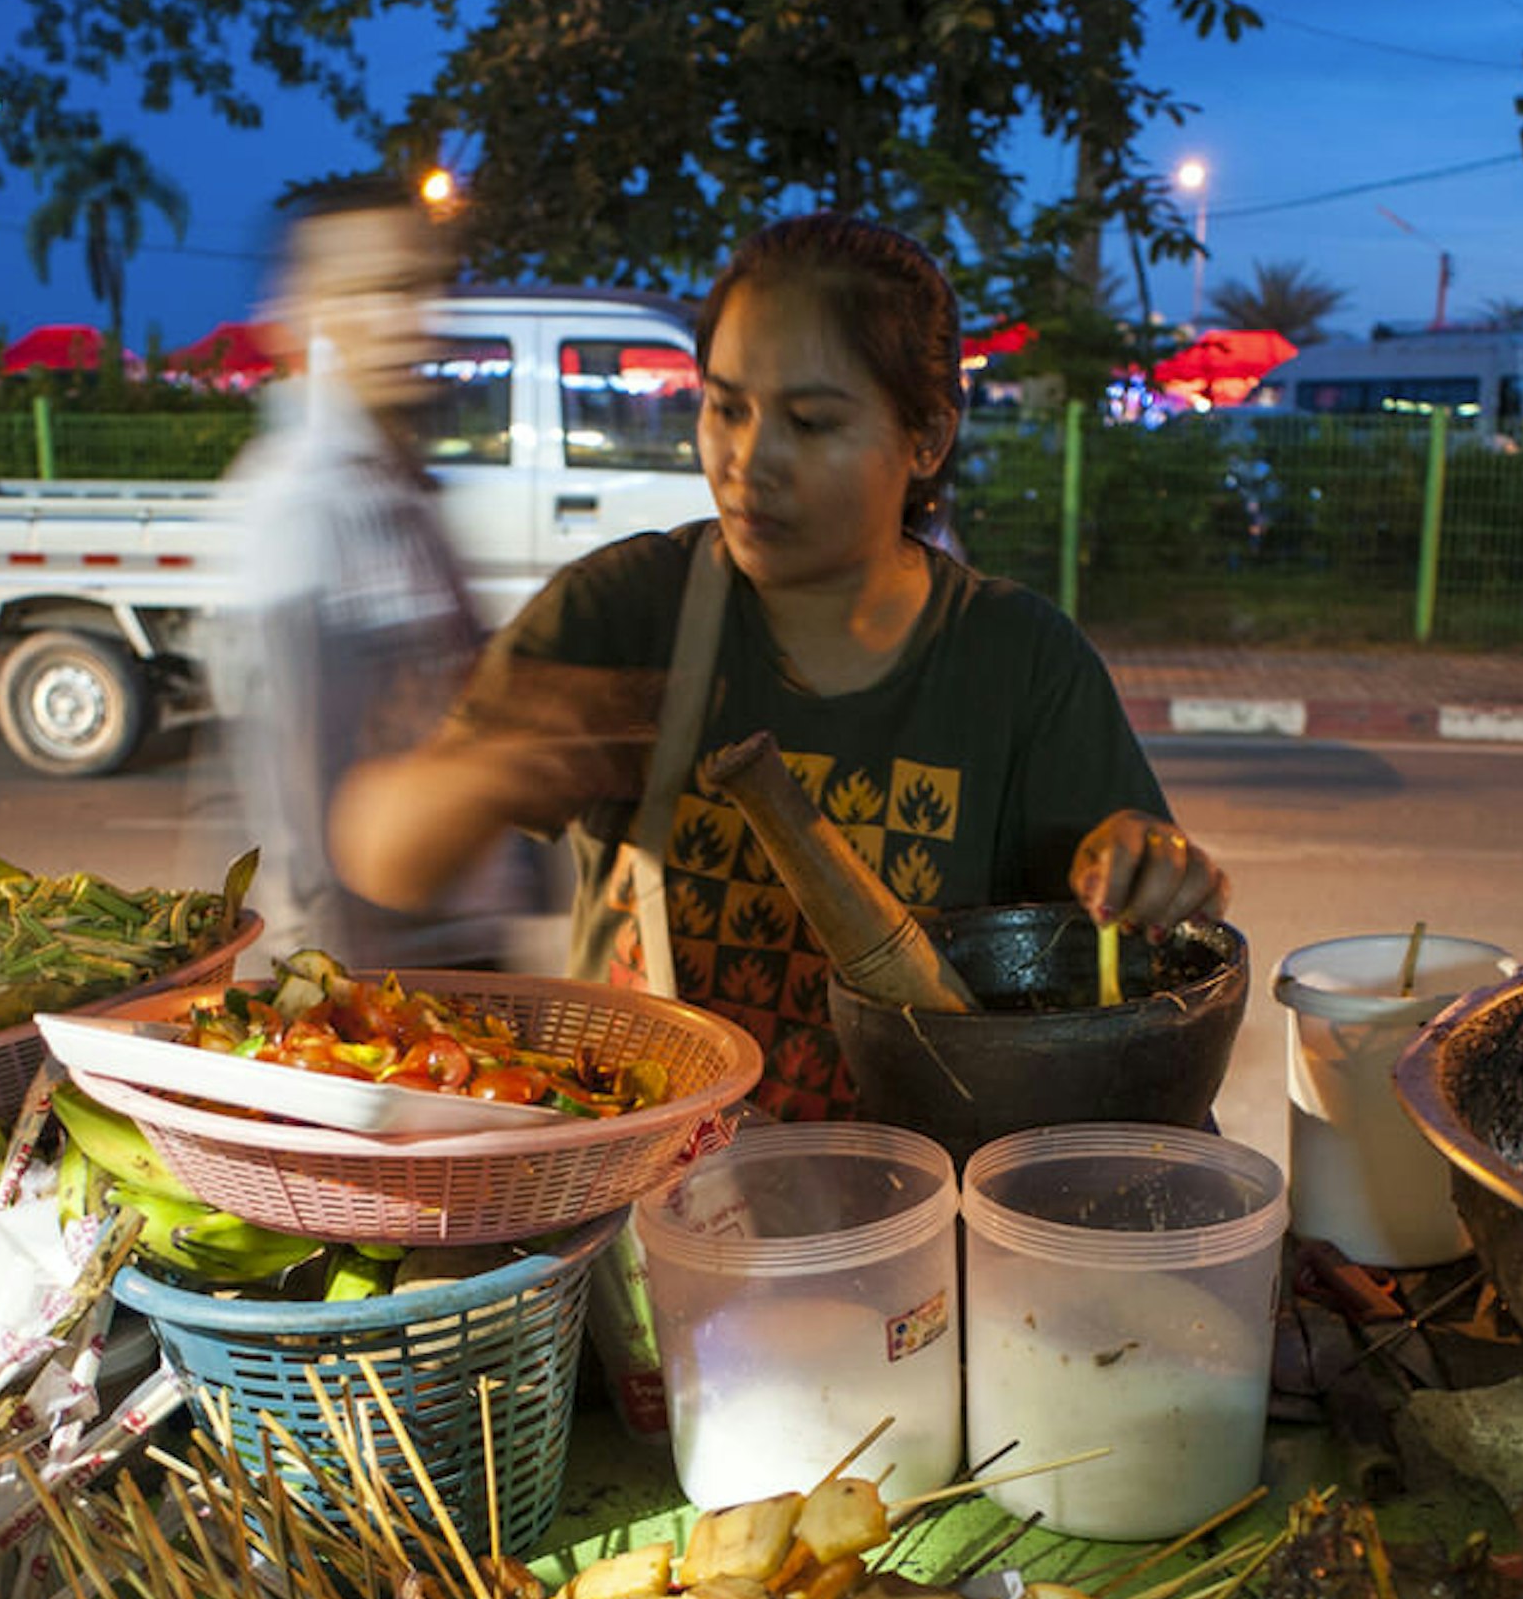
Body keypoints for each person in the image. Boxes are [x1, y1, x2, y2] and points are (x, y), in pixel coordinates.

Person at [327, 212, 1224, 1117]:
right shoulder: (628, 611)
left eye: (811, 421)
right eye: (726, 407)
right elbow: (384, 856)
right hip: (652, 1215)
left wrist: (1157, 873)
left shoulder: (1020, 665)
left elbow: (1145, 961)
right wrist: (488, 774)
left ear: (927, 438)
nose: (749, 460)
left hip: (910, 1220)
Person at [215, 174, 556, 972]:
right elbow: (321, 825)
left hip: (458, 950)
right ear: (300, 315)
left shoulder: (397, 480)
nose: (410, 319)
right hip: (376, 988)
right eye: (372, 292)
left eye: (422, 285)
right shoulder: (303, 506)